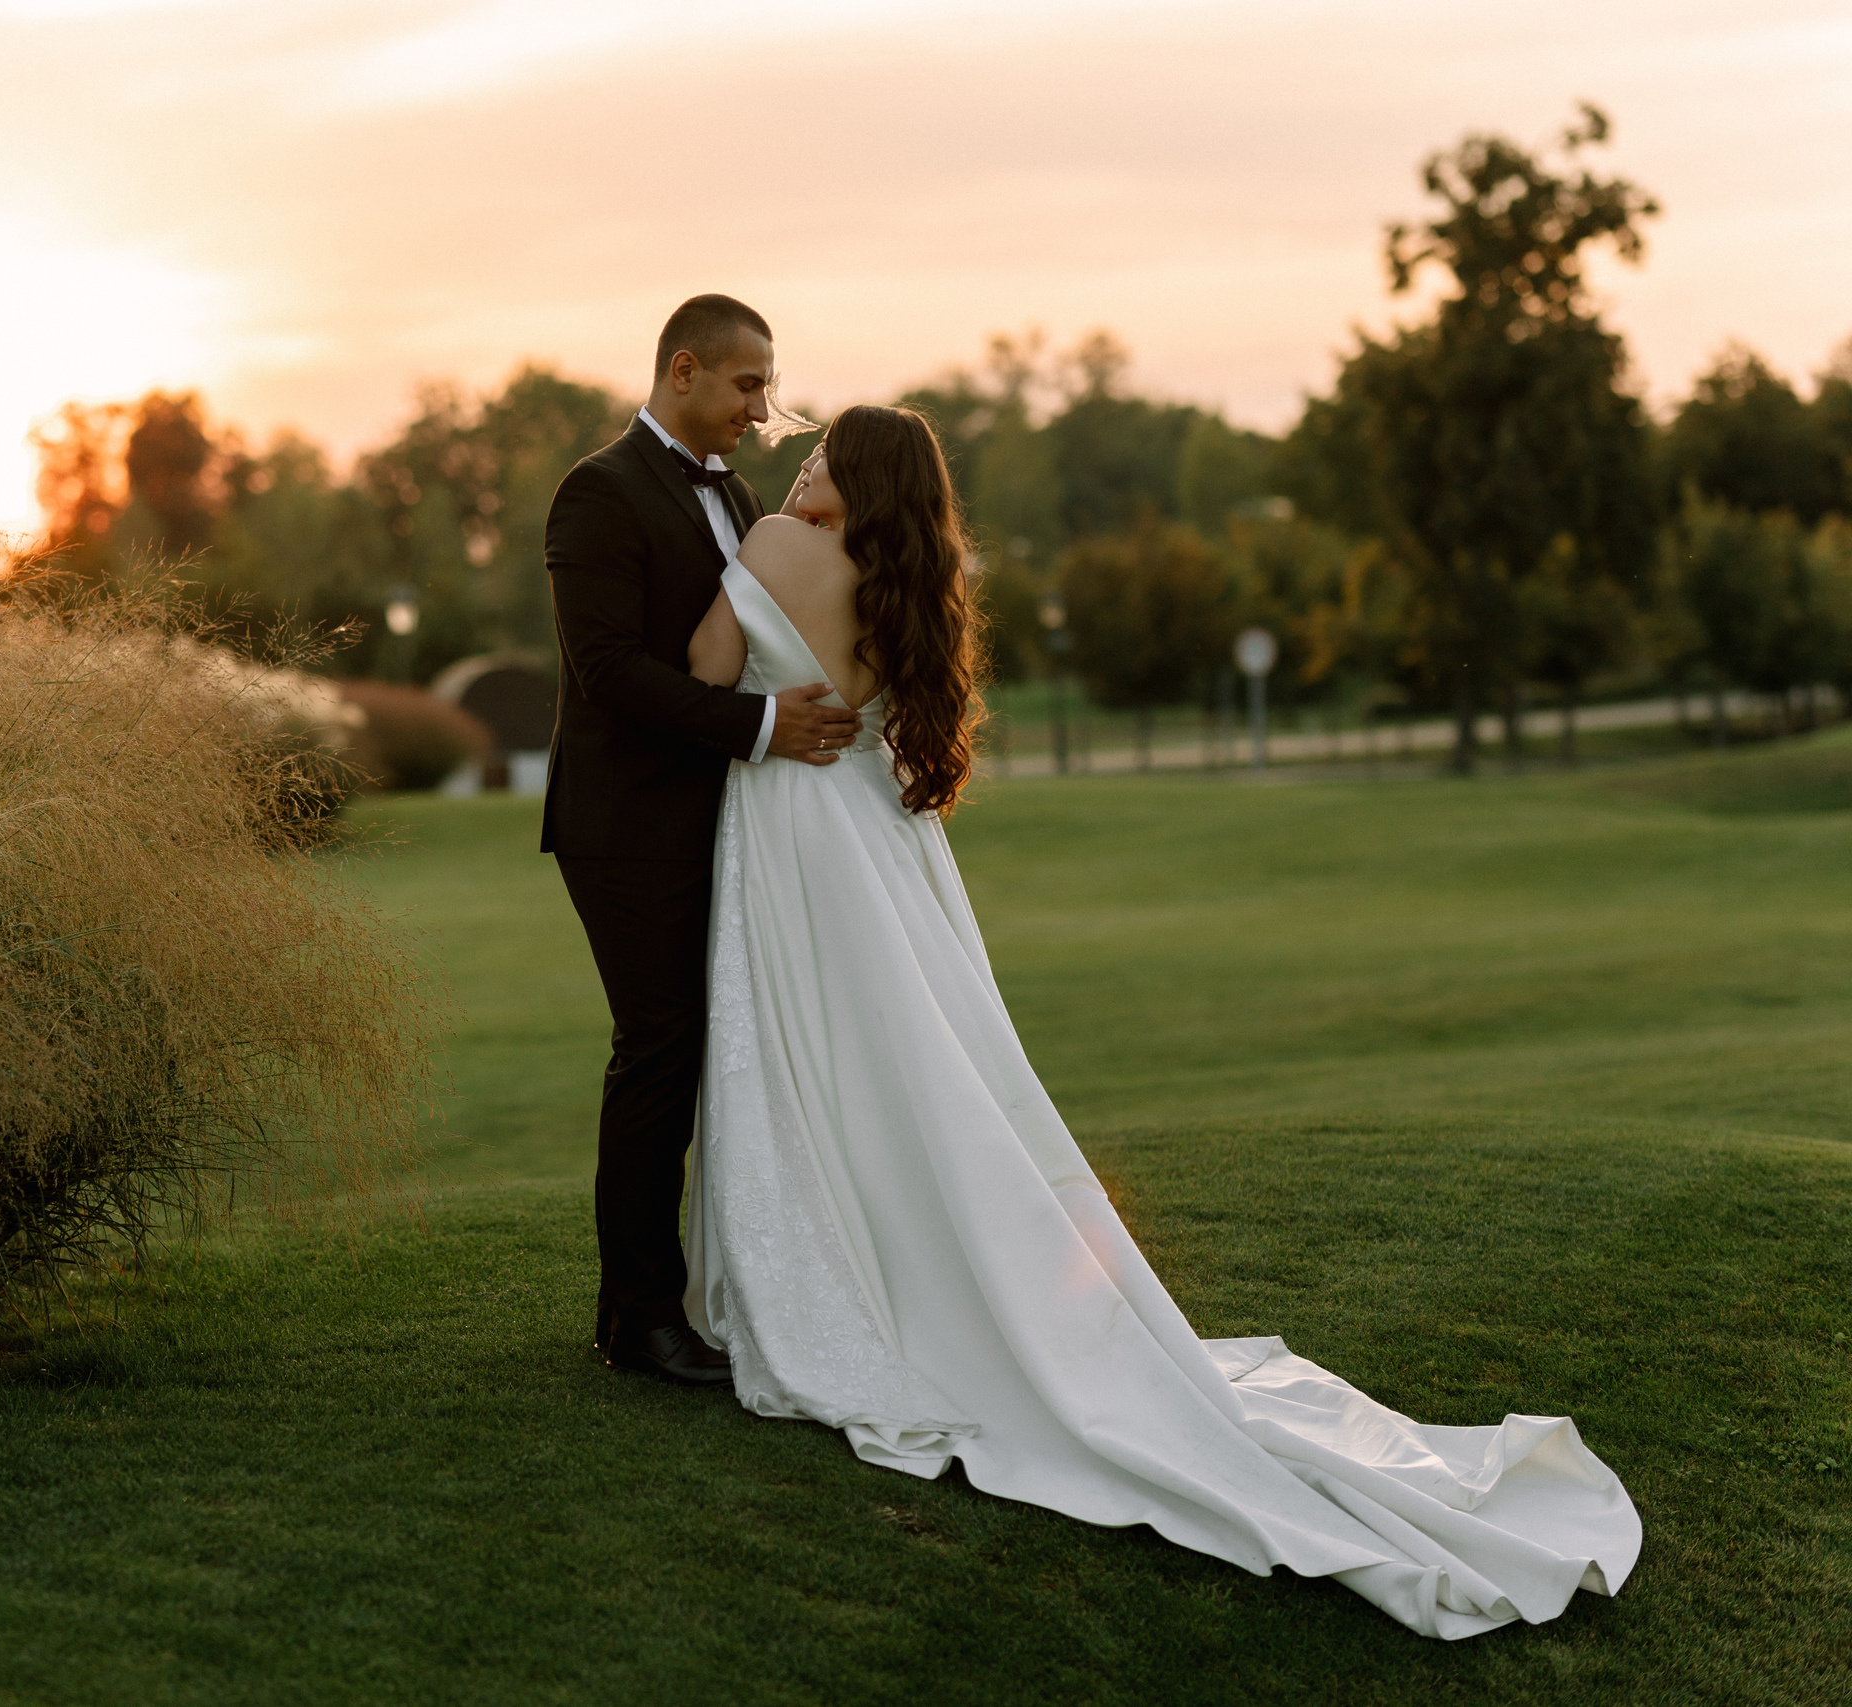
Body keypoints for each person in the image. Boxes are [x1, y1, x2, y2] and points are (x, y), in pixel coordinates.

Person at [676, 403, 1643, 1639]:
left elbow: (706, 673)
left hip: (795, 840)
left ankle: (840, 1283)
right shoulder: (907, 590)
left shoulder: (768, 543)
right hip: (881, 852)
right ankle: (914, 1257)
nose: (796, 463)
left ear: (852, 482)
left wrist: (735, 588)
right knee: (910, 1061)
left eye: (819, 455)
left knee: (819, 1061)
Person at [541, 294, 861, 1383]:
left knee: (708, 1053)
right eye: (745, 385)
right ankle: (639, 1318)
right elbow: (611, 674)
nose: (763, 411)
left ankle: (697, 1294)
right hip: (624, 825)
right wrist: (765, 727)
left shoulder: (738, 492)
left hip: (718, 825)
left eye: (767, 387)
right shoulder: (597, 493)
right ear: (683, 370)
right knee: (658, 1052)